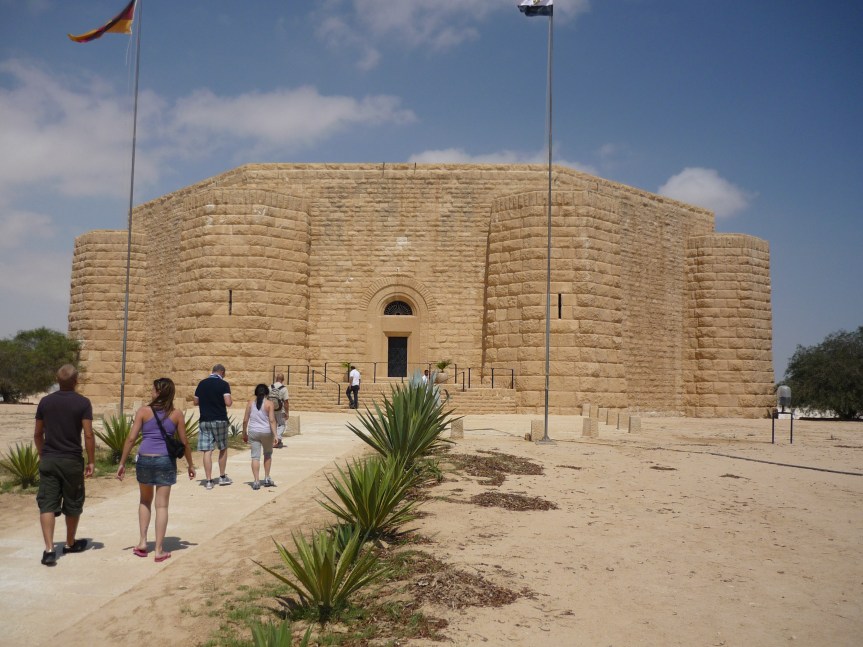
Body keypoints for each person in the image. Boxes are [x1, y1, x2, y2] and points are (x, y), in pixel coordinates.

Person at [116, 377, 195, 562]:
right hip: (165, 460)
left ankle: (143, 542)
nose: (151, 392)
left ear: (159, 392)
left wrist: (122, 463)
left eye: (153, 389)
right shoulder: (176, 414)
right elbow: (184, 442)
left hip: (145, 459)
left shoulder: (143, 411)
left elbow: (130, 438)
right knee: (162, 505)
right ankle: (159, 550)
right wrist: (190, 465)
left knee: (144, 500)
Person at [33, 364, 94, 567]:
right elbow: (87, 434)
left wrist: (43, 454)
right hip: (72, 460)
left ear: (57, 381)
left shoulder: (45, 402)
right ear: (76, 381)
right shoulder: (83, 403)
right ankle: (69, 543)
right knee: (73, 502)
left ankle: (49, 550)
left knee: (47, 504)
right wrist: (92, 460)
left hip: (49, 459)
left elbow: (37, 433)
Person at [193, 363, 233, 490]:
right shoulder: (224, 384)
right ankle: (222, 477)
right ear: (221, 372)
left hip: (204, 420)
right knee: (223, 448)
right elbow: (228, 403)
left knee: (207, 451)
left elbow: (195, 401)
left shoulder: (202, 383)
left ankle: (209, 480)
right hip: (219, 419)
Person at [242, 384, 278, 490]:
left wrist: (244, 433)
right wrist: (276, 435)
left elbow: (245, 420)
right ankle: (267, 478)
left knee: (255, 457)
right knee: (267, 454)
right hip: (266, 432)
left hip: (253, 431)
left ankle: (256, 481)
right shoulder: (269, 403)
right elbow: (272, 420)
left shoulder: (250, 403)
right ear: (267, 393)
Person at [269, 374, 289, 448]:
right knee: (282, 424)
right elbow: (286, 402)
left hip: (271, 409)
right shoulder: (284, 389)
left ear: (275, 378)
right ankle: (277, 440)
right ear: (283, 379)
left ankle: (272, 440)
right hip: (280, 410)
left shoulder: (270, 387)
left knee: (272, 424)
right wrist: (287, 413)